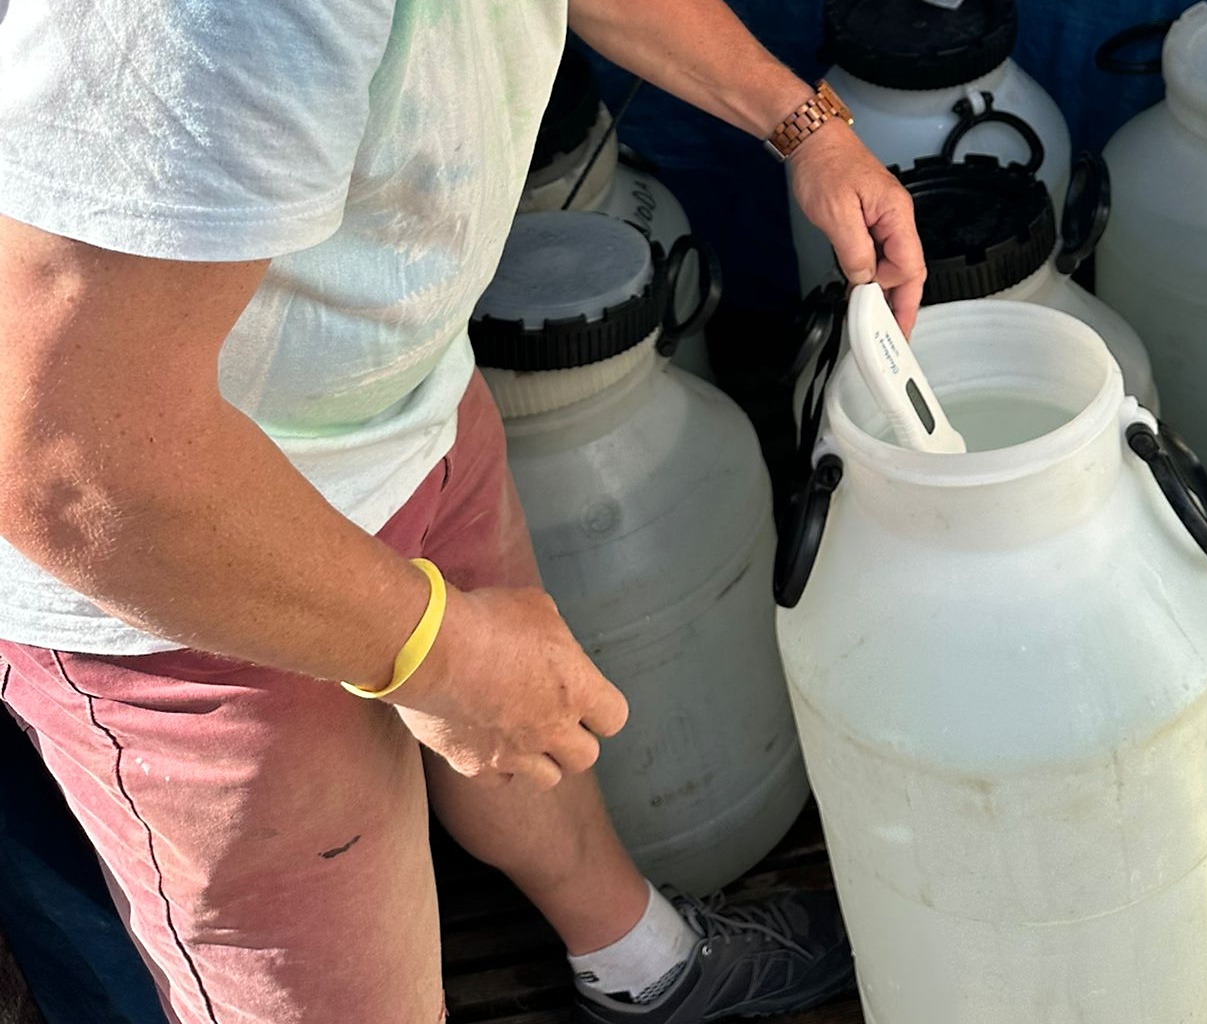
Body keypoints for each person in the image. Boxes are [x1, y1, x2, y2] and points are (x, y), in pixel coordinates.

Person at [0, 1, 925, 1022]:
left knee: (537, 734)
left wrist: (807, 126)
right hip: (186, 562)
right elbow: (66, 459)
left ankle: (643, 966)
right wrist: (438, 655)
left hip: (406, 395)